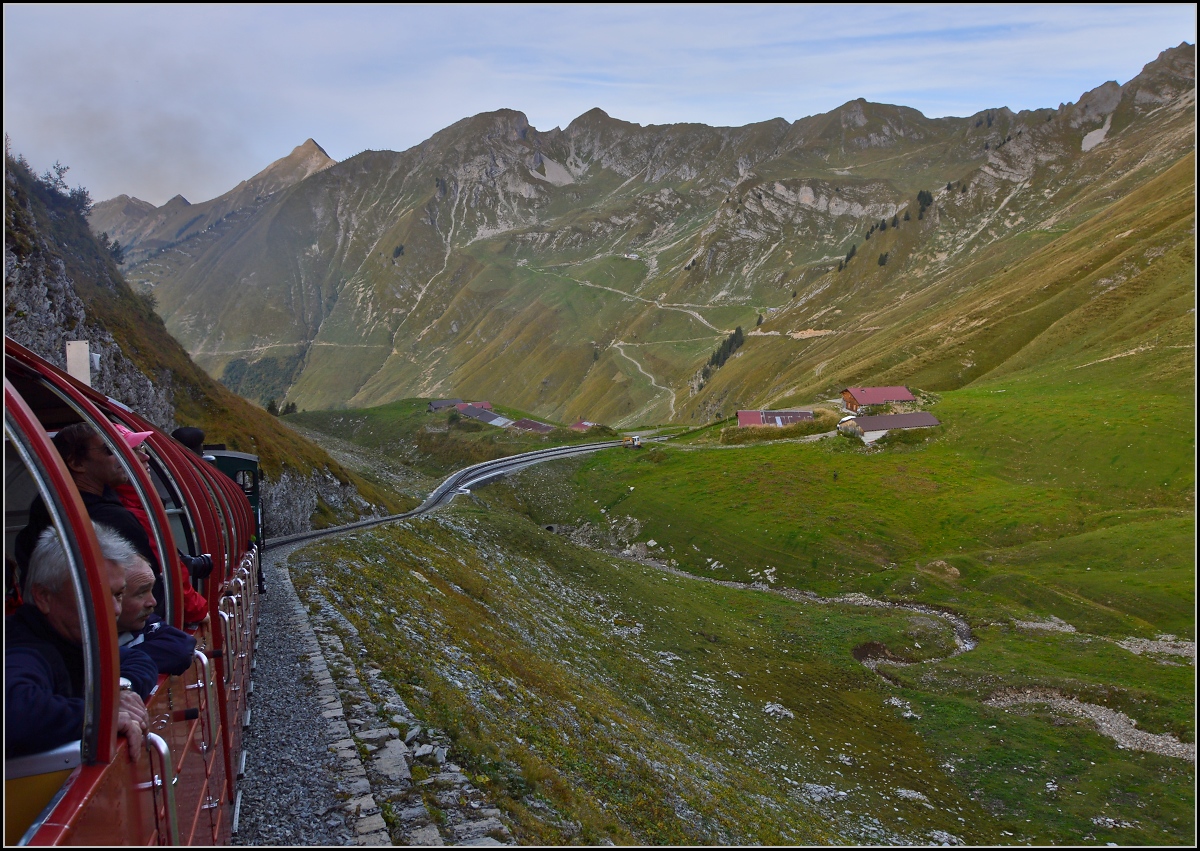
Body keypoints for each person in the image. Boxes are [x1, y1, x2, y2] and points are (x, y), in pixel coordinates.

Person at [6, 525, 154, 759]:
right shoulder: (23, 651)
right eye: (96, 595)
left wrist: (119, 689)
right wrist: (99, 715)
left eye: (118, 595)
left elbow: (139, 659)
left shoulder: (72, 640)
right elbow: (14, 713)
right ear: (44, 597)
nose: (116, 610)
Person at [15, 423, 164, 613]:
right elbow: (146, 591)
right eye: (111, 450)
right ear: (77, 464)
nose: (126, 457)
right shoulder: (111, 519)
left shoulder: (48, 506)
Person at [110, 423, 211, 626]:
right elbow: (170, 567)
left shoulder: (133, 503)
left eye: (142, 449)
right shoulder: (133, 513)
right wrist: (198, 610)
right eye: (132, 451)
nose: (145, 457)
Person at [116, 550, 196, 677]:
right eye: (140, 593)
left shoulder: (142, 623)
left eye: (151, 590)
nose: (152, 602)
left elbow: (181, 649)